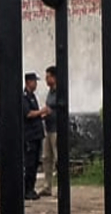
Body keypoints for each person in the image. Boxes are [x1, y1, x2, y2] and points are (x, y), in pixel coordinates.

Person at [22, 72, 49, 201]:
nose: (36, 84)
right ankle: (27, 190)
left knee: (35, 163)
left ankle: (31, 188)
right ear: (28, 82)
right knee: (30, 164)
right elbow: (28, 114)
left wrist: (42, 115)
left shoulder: (32, 96)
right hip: (30, 136)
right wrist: (41, 111)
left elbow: (35, 115)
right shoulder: (24, 97)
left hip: (37, 135)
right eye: (34, 81)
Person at [41, 66, 62, 197]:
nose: (46, 79)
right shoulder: (50, 92)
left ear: (54, 77)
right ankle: (47, 186)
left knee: (58, 158)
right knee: (46, 157)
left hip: (56, 129)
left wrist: (50, 112)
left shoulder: (60, 92)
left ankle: (61, 187)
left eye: (48, 77)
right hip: (48, 128)